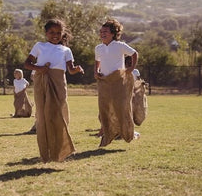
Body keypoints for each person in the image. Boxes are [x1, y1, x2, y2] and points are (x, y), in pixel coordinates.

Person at [24, 19, 84, 162]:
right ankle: (46, 153)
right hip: (41, 82)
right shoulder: (39, 46)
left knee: (57, 115)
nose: (55, 35)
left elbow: (70, 69)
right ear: (46, 33)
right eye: (51, 32)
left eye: (58, 33)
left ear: (62, 34)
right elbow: (27, 64)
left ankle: (61, 150)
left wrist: (77, 69)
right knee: (43, 116)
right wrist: (40, 69)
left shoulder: (66, 50)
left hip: (58, 83)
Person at [94, 18, 138, 147]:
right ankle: (107, 135)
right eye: (101, 31)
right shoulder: (98, 48)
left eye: (105, 31)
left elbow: (134, 53)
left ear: (113, 33)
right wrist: (96, 72)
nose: (102, 33)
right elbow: (97, 62)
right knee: (104, 109)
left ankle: (129, 133)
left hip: (119, 81)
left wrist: (131, 68)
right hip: (104, 82)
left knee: (121, 108)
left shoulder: (120, 46)